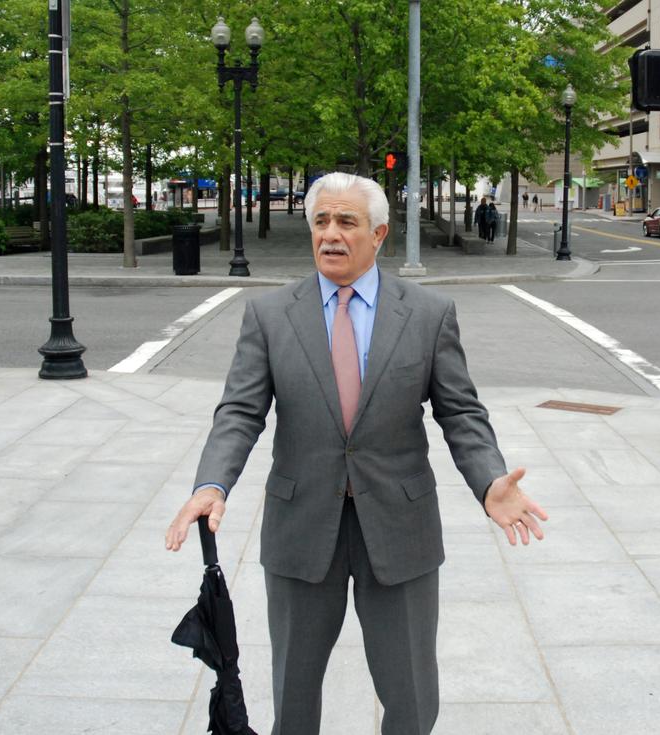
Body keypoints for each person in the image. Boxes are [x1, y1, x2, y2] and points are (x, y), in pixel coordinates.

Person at [166, 172, 547, 735]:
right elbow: (240, 413)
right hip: (301, 526)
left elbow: (460, 412)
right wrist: (211, 485)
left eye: (346, 221)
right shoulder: (270, 316)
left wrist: (490, 479)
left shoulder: (427, 314)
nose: (330, 235)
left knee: (412, 697)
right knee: (292, 697)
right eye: (321, 221)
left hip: (400, 527)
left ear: (379, 234)